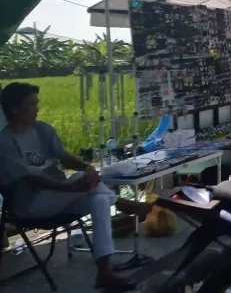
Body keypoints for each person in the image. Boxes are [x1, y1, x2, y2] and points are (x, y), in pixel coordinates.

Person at [0, 83, 153, 291]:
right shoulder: (5, 142)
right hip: (31, 203)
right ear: (14, 109)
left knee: (99, 199)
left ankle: (105, 272)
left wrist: (88, 168)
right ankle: (126, 205)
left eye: (37, 103)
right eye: (31, 104)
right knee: (84, 183)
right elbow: (31, 178)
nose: (37, 108)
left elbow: (64, 157)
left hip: (60, 195)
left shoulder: (42, 129)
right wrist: (73, 188)